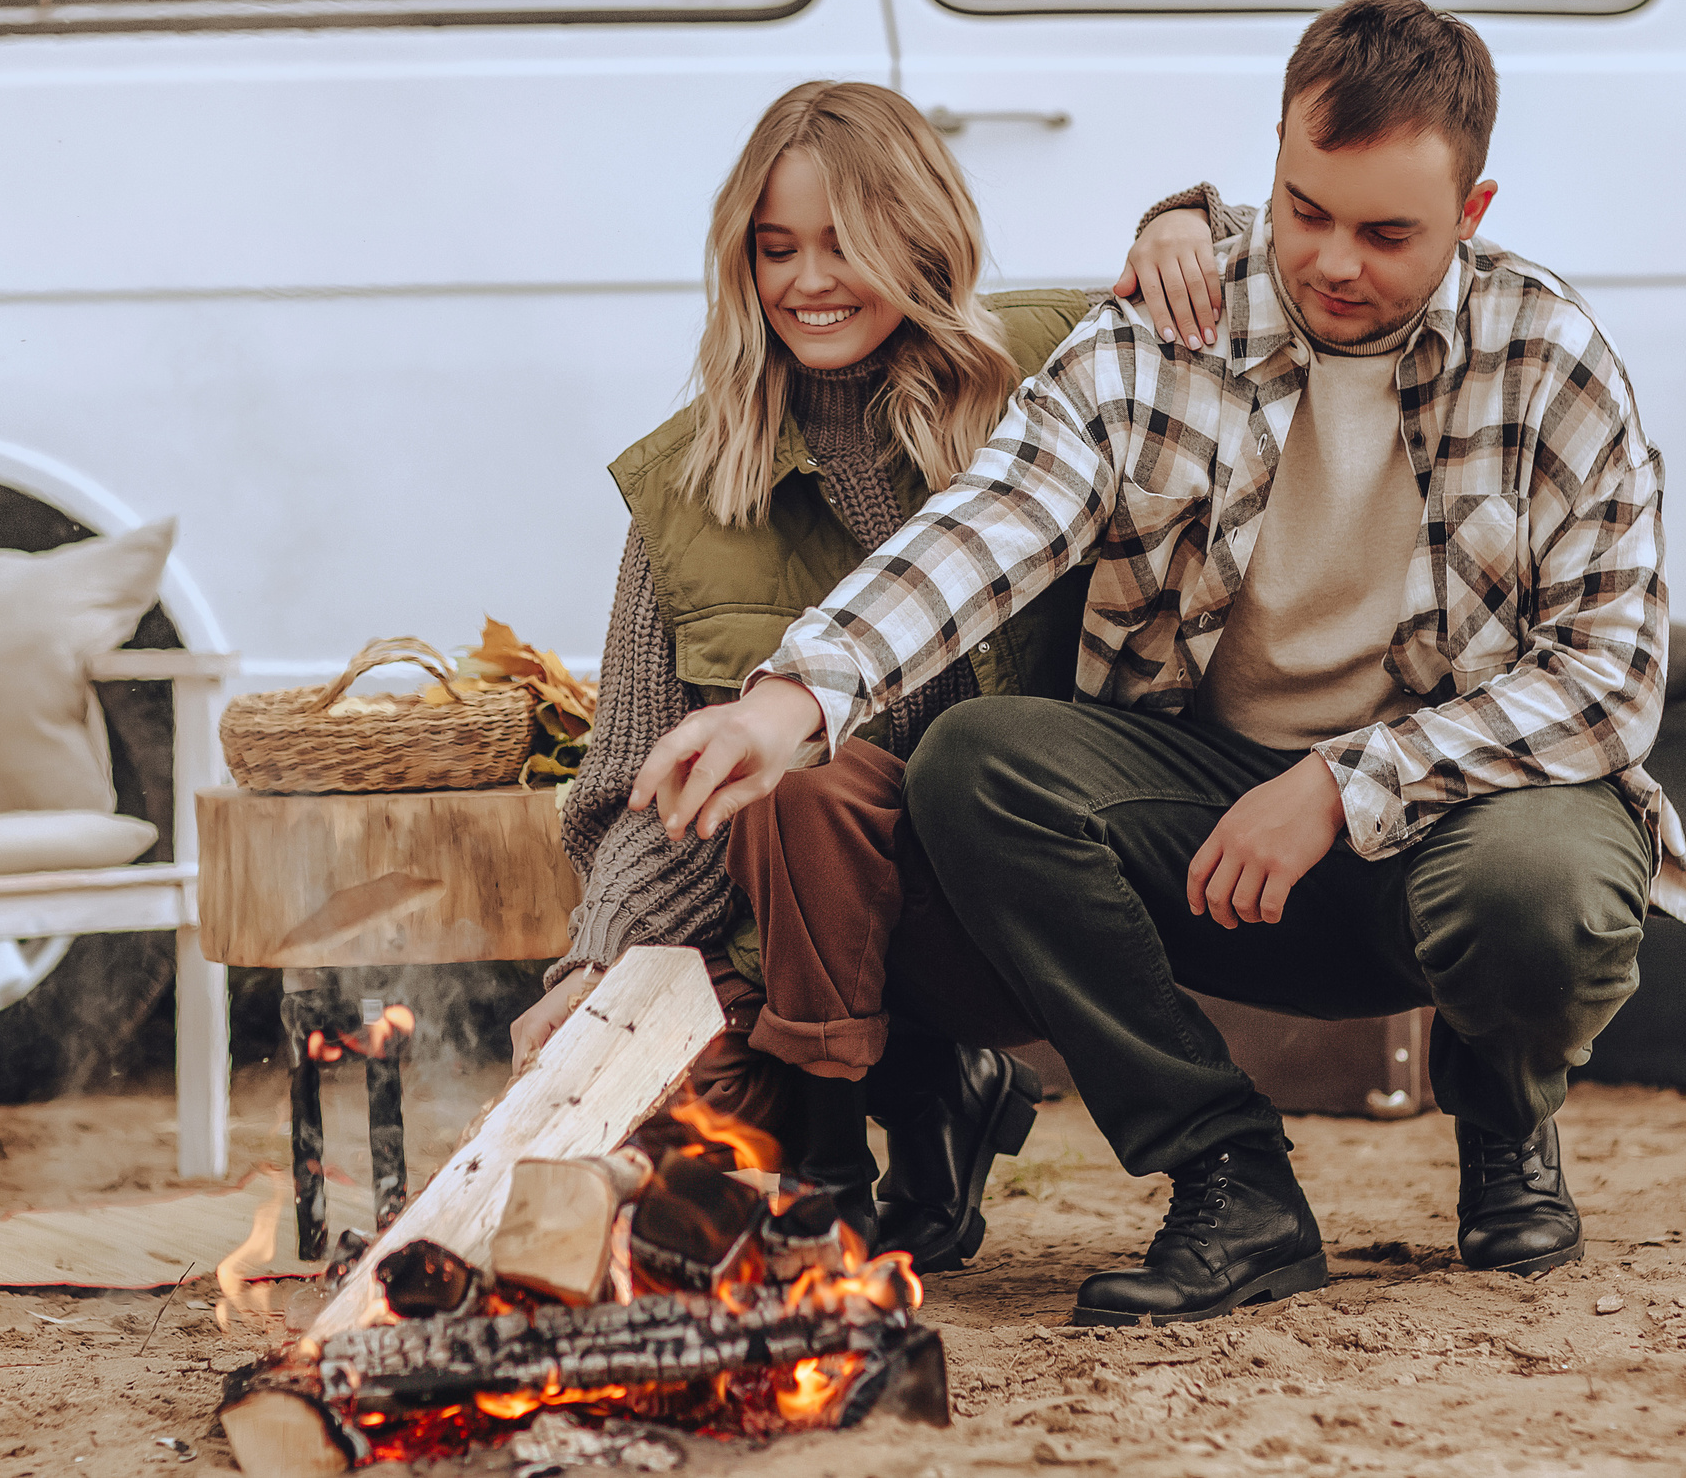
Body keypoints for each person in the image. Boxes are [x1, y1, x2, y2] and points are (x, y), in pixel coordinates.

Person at [627, 0, 1686, 1324]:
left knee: (1546, 886)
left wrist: (1343, 783)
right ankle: (1230, 1175)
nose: (1332, 261)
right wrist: (791, 697)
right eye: (1304, 209)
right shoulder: (1165, 326)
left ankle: (1504, 1105)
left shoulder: (1549, 358)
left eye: (1387, 234)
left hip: (1448, 818)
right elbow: (996, 517)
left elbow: (1606, 679)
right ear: (1274, 160)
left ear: (1470, 215)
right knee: (975, 763)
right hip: (1203, 824)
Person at [512, 80, 1196, 1268]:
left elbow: (1279, 293)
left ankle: (909, 1096)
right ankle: (867, 1127)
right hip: (809, 945)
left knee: (860, 778)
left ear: (921, 238)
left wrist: (1182, 220)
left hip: (1042, 898)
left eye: (847, 242)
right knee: (672, 1142)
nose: (808, 281)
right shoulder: (690, 485)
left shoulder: (1050, 369)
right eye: (776, 248)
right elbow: (642, 789)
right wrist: (596, 968)